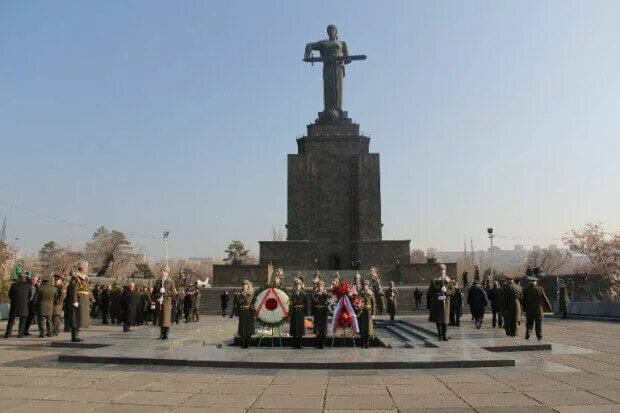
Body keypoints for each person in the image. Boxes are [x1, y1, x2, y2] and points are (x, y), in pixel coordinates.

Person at [428, 264, 455, 341]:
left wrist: (446, 291)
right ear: (438, 270)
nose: (442, 270)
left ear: (445, 270)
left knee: (445, 319)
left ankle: (444, 335)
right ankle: (440, 335)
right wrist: (438, 295)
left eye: (443, 269)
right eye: (440, 269)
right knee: (439, 319)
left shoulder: (449, 280)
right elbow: (430, 292)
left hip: (446, 302)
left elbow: (453, 292)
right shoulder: (434, 280)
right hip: (438, 302)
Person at [66, 260, 91, 342]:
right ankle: (74, 336)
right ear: (82, 268)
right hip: (78, 301)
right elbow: (73, 290)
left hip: (83, 301)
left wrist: (92, 298)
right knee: (75, 318)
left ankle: (77, 335)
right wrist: (75, 301)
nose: (87, 269)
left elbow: (87, 289)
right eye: (86, 268)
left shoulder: (85, 278)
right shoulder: (75, 277)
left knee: (80, 318)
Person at [4, 274, 31, 338]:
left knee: (11, 320)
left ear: (19, 278)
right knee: (23, 321)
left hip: (14, 305)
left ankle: (8, 334)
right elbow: (29, 295)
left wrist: (13, 300)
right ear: (24, 278)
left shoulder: (14, 285)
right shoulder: (28, 285)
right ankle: (20, 334)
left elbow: (10, 294)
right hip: (24, 306)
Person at [152, 266, 176, 340]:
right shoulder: (158, 281)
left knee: (166, 318)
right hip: (160, 301)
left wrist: (164, 292)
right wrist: (157, 296)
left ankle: (166, 334)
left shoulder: (171, 281)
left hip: (167, 301)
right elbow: (154, 292)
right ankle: (161, 333)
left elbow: (173, 293)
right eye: (162, 271)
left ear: (167, 273)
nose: (162, 272)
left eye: (164, 271)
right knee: (161, 318)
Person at [231, 280, 255, 348]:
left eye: (246, 285)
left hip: (249, 312)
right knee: (242, 327)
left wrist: (253, 309)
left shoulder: (252, 293)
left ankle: (248, 342)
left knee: (248, 327)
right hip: (242, 312)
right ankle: (243, 342)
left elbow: (253, 302)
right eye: (243, 285)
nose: (244, 286)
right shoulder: (239, 294)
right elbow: (236, 303)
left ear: (248, 286)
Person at [289, 278, 307, 349]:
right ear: (294, 286)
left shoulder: (304, 294)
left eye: (299, 285)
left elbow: (305, 304)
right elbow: (289, 304)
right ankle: (294, 344)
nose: (297, 286)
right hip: (294, 312)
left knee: (300, 329)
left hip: (301, 312)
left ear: (301, 285)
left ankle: (299, 344)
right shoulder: (291, 294)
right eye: (296, 285)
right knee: (294, 329)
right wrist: (289, 312)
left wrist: (305, 313)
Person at [311, 280, 330, 349]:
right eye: (319, 286)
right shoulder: (314, 295)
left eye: (321, 286)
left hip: (324, 313)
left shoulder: (326, 295)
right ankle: (318, 343)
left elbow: (330, 303)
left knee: (323, 328)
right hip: (317, 313)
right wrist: (312, 313)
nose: (320, 287)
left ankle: (323, 343)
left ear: (323, 287)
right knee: (317, 328)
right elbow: (312, 305)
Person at [357, 280, 375, 348]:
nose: (364, 286)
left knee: (368, 327)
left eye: (366, 285)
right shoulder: (360, 293)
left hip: (368, 312)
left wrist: (373, 313)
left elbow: (373, 304)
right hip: (361, 311)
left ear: (368, 285)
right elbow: (357, 301)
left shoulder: (370, 293)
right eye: (363, 285)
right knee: (362, 327)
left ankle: (367, 342)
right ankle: (362, 342)